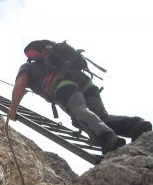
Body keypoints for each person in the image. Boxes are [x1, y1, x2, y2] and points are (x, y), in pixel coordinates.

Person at [8, 39, 151, 155]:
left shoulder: (29, 67)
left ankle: (106, 137)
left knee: (79, 113)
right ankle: (136, 125)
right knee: (101, 116)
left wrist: (13, 109)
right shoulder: (56, 59)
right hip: (84, 80)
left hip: (63, 85)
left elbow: (20, 85)